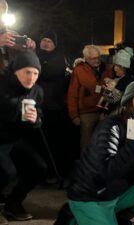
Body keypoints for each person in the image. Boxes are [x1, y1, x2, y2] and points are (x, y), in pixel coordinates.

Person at [63, 80, 134, 225]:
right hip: (92, 195)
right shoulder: (110, 127)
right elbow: (106, 172)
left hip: (118, 192)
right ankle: (73, 218)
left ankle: (120, 215)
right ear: (129, 102)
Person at [0, 50, 47, 224]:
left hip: (16, 139)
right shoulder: (2, 85)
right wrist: (14, 112)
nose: (32, 77)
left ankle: (13, 203)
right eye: (27, 72)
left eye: (36, 73)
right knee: (7, 172)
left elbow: (40, 116)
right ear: (16, 70)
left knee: (39, 168)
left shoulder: (37, 91)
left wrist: (36, 120)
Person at [36, 30, 74, 178]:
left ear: (54, 44)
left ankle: (54, 170)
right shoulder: (35, 55)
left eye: (49, 41)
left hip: (53, 106)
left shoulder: (59, 57)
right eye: (43, 40)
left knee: (53, 141)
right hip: (37, 105)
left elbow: (47, 72)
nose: (45, 43)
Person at [67, 45, 112, 152]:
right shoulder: (79, 70)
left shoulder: (106, 69)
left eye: (99, 57)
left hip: (104, 113)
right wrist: (74, 115)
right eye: (94, 58)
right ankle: (85, 166)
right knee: (86, 145)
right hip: (86, 114)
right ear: (86, 58)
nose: (97, 60)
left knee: (103, 144)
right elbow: (72, 94)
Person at [0, 0, 36, 74]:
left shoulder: (12, 34)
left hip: (11, 79)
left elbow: (28, 59)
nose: (1, 14)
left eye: (3, 11)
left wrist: (30, 47)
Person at [98, 48, 134, 114]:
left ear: (125, 68)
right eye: (115, 65)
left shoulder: (125, 81)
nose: (115, 68)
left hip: (118, 115)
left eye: (119, 66)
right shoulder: (120, 78)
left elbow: (112, 98)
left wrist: (106, 89)